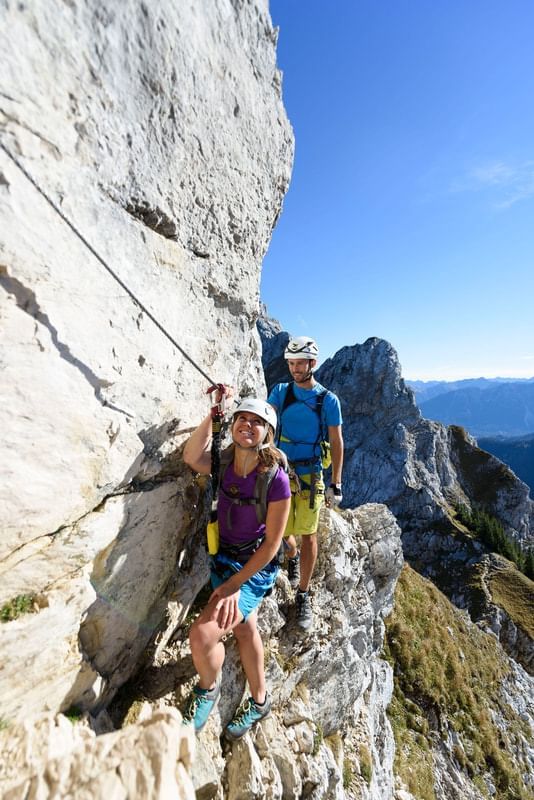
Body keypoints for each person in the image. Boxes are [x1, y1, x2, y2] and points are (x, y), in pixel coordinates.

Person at [182, 394, 291, 738]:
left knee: (201, 635)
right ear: (233, 425)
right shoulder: (224, 460)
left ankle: (207, 689)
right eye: (242, 418)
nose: (248, 425)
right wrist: (212, 415)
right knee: (244, 628)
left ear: (268, 434)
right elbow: (190, 456)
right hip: (224, 557)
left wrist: (234, 586)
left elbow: (273, 545)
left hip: (253, 569)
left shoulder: (276, 480)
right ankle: (260, 702)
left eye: (257, 422)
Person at [268, 337, 343, 630]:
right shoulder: (281, 392)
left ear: (312, 364)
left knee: (309, 533)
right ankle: (291, 553)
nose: (294, 368)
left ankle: (304, 593)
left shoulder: (328, 400)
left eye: (300, 363)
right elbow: (268, 420)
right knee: (280, 529)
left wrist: (336, 481)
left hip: (311, 475)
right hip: (281, 470)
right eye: (291, 363)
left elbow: (336, 441)